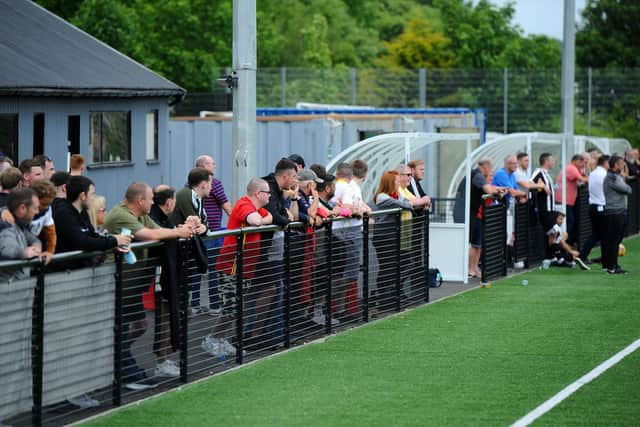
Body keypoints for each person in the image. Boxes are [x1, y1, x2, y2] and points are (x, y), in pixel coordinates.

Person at [104, 182, 194, 382]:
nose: (154, 202)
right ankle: (125, 370)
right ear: (140, 200)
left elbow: (160, 229)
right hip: (114, 282)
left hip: (130, 284)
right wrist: (179, 232)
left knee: (140, 324)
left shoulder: (142, 215)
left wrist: (186, 228)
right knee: (119, 327)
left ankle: (118, 357)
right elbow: (150, 234)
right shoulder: (122, 215)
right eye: (151, 199)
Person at [208, 178, 273, 356]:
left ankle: (221, 339)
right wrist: (263, 219)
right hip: (232, 266)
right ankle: (212, 339)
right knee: (231, 307)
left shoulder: (257, 208)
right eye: (267, 192)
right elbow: (256, 221)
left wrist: (264, 218)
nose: (270, 195)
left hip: (245, 267)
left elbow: (270, 216)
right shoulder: (244, 204)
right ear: (258, 193)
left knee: (237, 306)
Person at [53, 175, 131, 268]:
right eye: (92, 194)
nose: (94, 198)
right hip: (63, 272)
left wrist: (115, 239)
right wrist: (114, 241)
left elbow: (92, 235)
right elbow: (82, 242)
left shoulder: (82, 211)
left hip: (80, 270)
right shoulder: (63, 214)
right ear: (82, 196)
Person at [148, 185, 181, 377]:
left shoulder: (159, 216)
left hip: (163, 275)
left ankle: (164, 359)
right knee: (156, 317)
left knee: (170, 314)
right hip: (154, 276)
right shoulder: (152, 216)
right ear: (169, 202)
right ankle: (161, 361)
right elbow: (158, 233)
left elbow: (166, 230)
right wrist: (179, 232)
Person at [171, 167, 212, 315]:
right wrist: (201, 226)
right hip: (176, 250)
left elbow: (204, 223)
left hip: (185, 251)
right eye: (210, 183)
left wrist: (203, 227)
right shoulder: (185, 195)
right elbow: (193, 221)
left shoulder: (198, 198)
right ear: (203, 184)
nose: (211, 187)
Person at [195, 155, 232, 314]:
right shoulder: (214, 183)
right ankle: (215, 305)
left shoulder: (190, 183)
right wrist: (236, 223)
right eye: (212, 163)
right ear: (204, 166)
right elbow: (226, 205)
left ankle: (194, 304)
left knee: (197, 268)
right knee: (214, 269)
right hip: (213, 233)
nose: (215, 166)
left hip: (200, 232)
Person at [372, 170, 414, 310]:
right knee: (387, 268)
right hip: (383, 238)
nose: (398, 183)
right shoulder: (382, 197)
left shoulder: (395, 195)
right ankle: (383, 299)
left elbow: (407, 202)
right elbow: (406, 204)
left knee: (393, 267)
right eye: (396, 181)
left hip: (391, 237)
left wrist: (402, 199)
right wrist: (403, 200)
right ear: (390, 183)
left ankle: (389, 297)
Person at [466, 158, 505, 280]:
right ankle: (470, 269)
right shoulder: (478, 177)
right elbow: (490, 191)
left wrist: (498, 191)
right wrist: (498, 191)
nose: (492, 177)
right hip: (475, 216)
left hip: (481, 217)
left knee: (479, 245)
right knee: (475, 244)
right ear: (486, 168)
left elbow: (494, 194)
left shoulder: (487, 183)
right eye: (491, 174)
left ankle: (475, 268)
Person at [0, 188, 42, 281]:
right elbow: (7, 249)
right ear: (22, 208)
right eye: (35, 208)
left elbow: (34, 240)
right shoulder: (6, 226)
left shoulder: (18, 224)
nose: (37, 212)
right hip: (8, 291)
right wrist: (24, 253)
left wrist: (36, 248)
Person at [602, 155, 632, 274]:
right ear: (615, 165)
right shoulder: (612, 177)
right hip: (614, 213)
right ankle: (612, 267)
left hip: (618, 212)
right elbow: (627, 189)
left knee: (615, 240)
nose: (624, 166)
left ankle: (612, 265)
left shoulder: (616, 176)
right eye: (621, 164)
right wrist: (625, 184)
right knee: (613, 241)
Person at [580, 155, 610, 263]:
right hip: (601, 206)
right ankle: (604, 258)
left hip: (593, 206)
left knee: (597, 234)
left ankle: (585, 256)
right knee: (603, 234)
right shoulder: (604, 174)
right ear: (606, 163)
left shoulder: (592, 173)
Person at [554, 154, 588, 245]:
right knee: (569, 222)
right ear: (576, 161)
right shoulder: (571, 168)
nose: (583, 165)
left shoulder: (573, 169)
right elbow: (583, 179)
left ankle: (566, 242)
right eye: (582, 163)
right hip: (564, 200)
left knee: (569, 221)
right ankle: (565, 242)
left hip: (566, 200)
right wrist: (587, 177)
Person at [530, 152, 556, 217]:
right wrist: (543, 186)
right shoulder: (538, 172)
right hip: (542, 209)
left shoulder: (546, 174)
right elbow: (530, 183)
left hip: (549, 209)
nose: (554, 162)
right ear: (546, 161)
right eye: (552, 160)